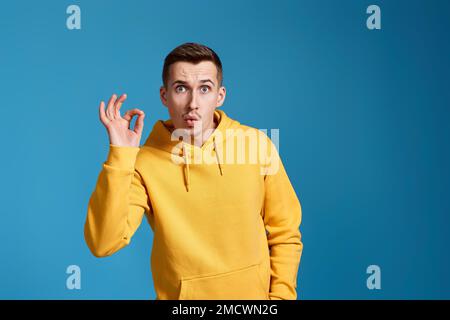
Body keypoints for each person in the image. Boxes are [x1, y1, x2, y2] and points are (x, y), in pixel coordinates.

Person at [84, 42, 303, 300]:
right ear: (165, 96)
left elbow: (285, 232)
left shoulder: (256, 145)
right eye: (181, 88)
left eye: (205, 89)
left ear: (220, 95)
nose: (193, 103)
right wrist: (121, 155)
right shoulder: (143, 163)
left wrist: (280, 299)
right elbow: (103, 243)